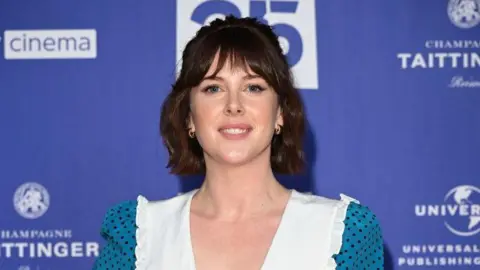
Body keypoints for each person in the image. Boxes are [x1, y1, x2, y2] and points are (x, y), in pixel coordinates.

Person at [93, 15, 384, 270]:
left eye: (253, 87)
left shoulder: (344, 233)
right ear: (189, 117)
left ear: (280, 112)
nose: (234, 105)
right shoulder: (139, 234)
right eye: (214, 88)